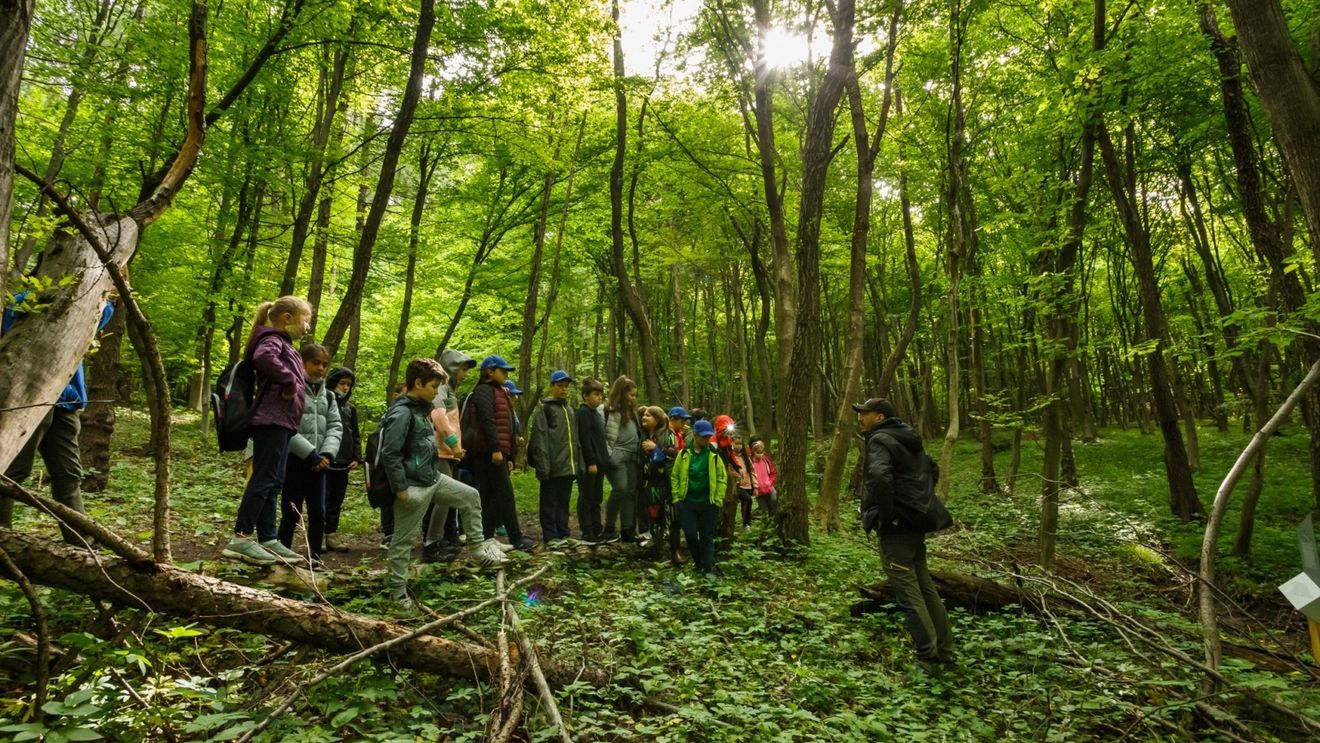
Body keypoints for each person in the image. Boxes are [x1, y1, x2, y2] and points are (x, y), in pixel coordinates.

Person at [382, 358, 507, 613]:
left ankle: (477, 549)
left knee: (470, 496)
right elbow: (390, 453)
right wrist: (401, 488)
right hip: (412, 485)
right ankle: (397, 594)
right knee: (402, 542)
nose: (436, 392)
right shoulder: (401, 412)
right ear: (417, 383)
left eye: (439, 387)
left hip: (432, 478)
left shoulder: (421, 408)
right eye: (433, 387)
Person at [1, 290, 115, 544]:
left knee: (69, 474)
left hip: (66, 399)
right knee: (13, 471)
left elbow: (100, 317)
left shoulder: (92, 301)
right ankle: (4, 541)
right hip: (29, 398)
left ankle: (82, 544)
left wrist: (106, 294)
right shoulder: (23, 300)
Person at [854, 397, 954, 673]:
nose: (860, 418)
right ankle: (945, 652)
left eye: (864, 413)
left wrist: (888, 515)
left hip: (897, 528)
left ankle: (928, 658)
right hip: (915, 523)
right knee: (925, 588)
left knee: (909, 594)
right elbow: (931, 469)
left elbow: (879, 477)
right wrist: (917, 501)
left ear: (880, 416)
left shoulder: (880, 440)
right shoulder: (909, 437)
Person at [223, 296, 313, 565]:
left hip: (282, 423)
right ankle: (240, 538)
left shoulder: (282, 342)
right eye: (305, 319)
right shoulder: (272, 339)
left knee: (274, 481)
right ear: (288, 318)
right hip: (270, 420)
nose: (307, 326)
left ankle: (268, 538)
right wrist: (288, 381)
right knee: (264, 479)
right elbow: (263, 358)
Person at [275, 343, 342, 565]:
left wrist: (327, 454)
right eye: (315, 363)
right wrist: (309, 454)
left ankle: (314, 558)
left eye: (324, 364)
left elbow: (335, 426)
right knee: (291, 512)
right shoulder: (291, 389)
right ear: (302, 362)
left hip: (321, 464)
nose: (320, 368)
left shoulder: (329, 397)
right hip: (295, 461)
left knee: (319, 513)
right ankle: (282, 554)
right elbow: (286, 425)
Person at [466, 355, 535, 551]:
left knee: (492, 496)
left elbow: (509, 427)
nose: (506, 374)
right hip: (488, 453)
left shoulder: (499, 392)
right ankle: (516, 538)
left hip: (497, 453)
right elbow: (488, 421)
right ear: (490, 372)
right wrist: (496, 449)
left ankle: (485, 538)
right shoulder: (484, 391)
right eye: (502, 371)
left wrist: (509, 455)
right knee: (504, 494)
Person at [424, 349, 477, 559]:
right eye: (463, 369)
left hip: (448, 452)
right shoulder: (442, 388)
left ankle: (440, 540)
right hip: (441, 451)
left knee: (445, 499)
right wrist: (454, 445)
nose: (465, 374)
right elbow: (438, 418)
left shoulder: (449, 391)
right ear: (453, 368)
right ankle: (431, 544)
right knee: (445, 498)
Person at [528, 370, 582, 546]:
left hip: (568, 465)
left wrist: (577, 464)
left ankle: (564, 533)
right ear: (552, 386)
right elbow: (540, 438)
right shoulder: (544, 409)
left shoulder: (570, 409)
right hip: (551, 466)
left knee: (563, 502)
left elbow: (575, 440)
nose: (564, 389)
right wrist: (543, 466)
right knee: (549, 502)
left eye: (566, 386)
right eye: (560, 386)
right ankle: (551, 537)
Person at [670, 419, 727, 579]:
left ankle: (707, 571)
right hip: (687, 503)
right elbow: (675, 476)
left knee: (707, 537)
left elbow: (722, 478)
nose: (707, 439)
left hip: (709, 503)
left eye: (709, 436)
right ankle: (698, 563)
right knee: (689, 534)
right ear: (695, 435)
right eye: (703, 436)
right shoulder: (683, 455)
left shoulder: (714, 457)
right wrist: (677, 498)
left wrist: (718, 499)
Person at [323, 367, 362, 553]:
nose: (345, 387)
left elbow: (355, 434)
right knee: (322, 499)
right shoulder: (323, 403)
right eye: (342, 383)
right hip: (325, 460)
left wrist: (357, 457)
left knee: (336, 501)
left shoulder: (350, 408)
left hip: (344, 461)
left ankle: (331, 534)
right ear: (333, 382)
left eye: (349, 384)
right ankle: (318, 535)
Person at [602, 376, 642, 544]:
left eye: (635, 395)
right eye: (630, 395)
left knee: (631, 492)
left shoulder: (633, 413)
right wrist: (609, 455)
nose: (633, 398)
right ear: (621, 394)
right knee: (621, 489)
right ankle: (609, 527)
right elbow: (603, 435)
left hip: (633, 456)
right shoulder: (608, 410)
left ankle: (627, 529)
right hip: (617, 455)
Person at [576, 377, 608, 544]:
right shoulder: (583, 413)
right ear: (585, 396)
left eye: (600, 394)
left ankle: (597, 529)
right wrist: (591, 462)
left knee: (597, 498)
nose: (599, 397)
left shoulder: (596, 414)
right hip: (591, 465)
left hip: (600, 463)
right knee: (587, 497)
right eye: (595, 394)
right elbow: (585, 439)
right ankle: (586, 531)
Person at [640, 406, 676, 553]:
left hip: (665, 481)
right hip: (649, 480)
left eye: (648, 415)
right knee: (652, 511)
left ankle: (672, 547)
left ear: (657, 419)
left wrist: (655, 449)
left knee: (667, 512)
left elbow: (673, 454)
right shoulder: (643, 434)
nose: (644, 417)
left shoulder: (668, 434)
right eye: (644, 415)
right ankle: (655, 543)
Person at [728, 433, 757, 531]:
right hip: (737, 486)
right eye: (736, 443)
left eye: (740, 444)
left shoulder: (745, 457)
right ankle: (746, 524)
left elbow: (752, 471)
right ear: (732, 443)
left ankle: (745, 525)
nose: (739, 446)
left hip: (748, 485)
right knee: (748, 499)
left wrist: (755, 486)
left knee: (746, 504)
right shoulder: (730, 457)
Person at [748, 436, 778, 520]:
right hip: (759, 491)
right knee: (763, 510)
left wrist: (770, 482)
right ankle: (764, 527)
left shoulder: (766, 460)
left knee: (774, 502)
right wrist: (754, 487)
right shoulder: (750, 461)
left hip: (769, 488)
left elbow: (772, 472)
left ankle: (772, 522)